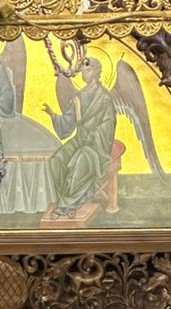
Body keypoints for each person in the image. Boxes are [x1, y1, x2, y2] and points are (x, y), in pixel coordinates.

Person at [44, 57, 117, 217]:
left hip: (97, 147)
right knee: (56, 160)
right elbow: (68, 123)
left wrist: (93, 136)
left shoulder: (104, 99)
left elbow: (108, 126)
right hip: (79, 141)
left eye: (88, 70)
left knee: (81, 160)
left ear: (97, 72)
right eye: (83, 71)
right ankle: (69, 199)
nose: (84, 74)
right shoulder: (79, 97)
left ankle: (66, 206)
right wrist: (53, 116)